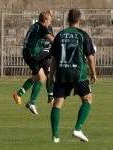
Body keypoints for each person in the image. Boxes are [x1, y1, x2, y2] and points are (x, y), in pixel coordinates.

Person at [49, 9, 97, 143]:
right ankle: (77, 128)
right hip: (78, 74)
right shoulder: (83, 35)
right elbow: (90, 57)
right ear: (79, 19)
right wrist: (93, 73)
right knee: (87, 100)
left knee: (57, 104)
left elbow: (53, 57)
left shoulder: (60, 35)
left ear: (68, 20)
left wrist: (50, 75)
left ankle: (55, 136)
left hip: (62, 73)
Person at [13, 11, 54, 114]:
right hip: (33, 53)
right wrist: (62, 42)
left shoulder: (35, 25)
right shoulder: (42, 27)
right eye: (49, 20)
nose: (50, 22)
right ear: (45, 20)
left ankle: (23, 97)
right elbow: (52, 40)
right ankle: (50, 96)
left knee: (40, 77)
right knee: (53, 51)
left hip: (28, 53)